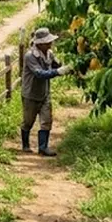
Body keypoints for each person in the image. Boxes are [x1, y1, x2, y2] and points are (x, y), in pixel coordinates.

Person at [21, 27, 71, 156]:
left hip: (44, 93)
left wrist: (68, 67)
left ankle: (43, 148)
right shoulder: (30, 56)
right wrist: (58, 72)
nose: (50, 44)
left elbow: (56, 65)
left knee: (46, 121)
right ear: (40, 44)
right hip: (30, 94)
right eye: (47, 42)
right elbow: (40, 73)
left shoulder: (49, 54)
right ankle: (25, 145)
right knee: (28, 121)